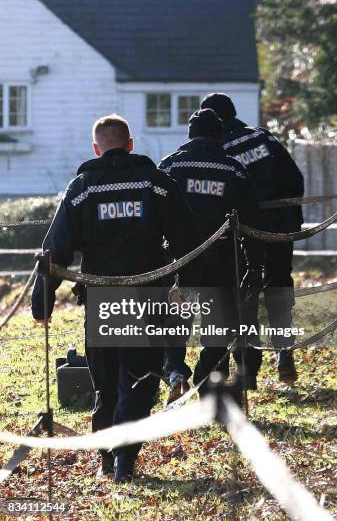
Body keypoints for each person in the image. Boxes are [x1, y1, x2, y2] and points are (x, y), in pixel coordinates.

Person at [31, 114, 201, 482]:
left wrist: (41, 303)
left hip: (101, 300)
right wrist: (185, 282)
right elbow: (189, 238)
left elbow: (54, 250)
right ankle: (124, 458)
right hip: (147, 296)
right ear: (130, 144)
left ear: (96, 148)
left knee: (106, 386)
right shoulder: (156, 183)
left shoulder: (82, 188)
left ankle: (108, 456)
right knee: (137, 382)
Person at [159, 108, 264, 402]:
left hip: (180, 261)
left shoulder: (170, 167)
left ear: (190, 134)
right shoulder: (234, 170)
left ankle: (177, 371)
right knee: (218, 328)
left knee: (177, 319)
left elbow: (154, 216)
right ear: (219, 136)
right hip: (222, 261)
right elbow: (254, 224)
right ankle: (206, 384)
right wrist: (255, 266)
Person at [200, 93, 304, 383]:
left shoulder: (218, 150)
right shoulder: (264, 138)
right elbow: (295, 178)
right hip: (279, 227)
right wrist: (292, 220)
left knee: (244, 295)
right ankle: (284, 351)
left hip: (240, 234)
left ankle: (248, 369)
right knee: (279, 287)